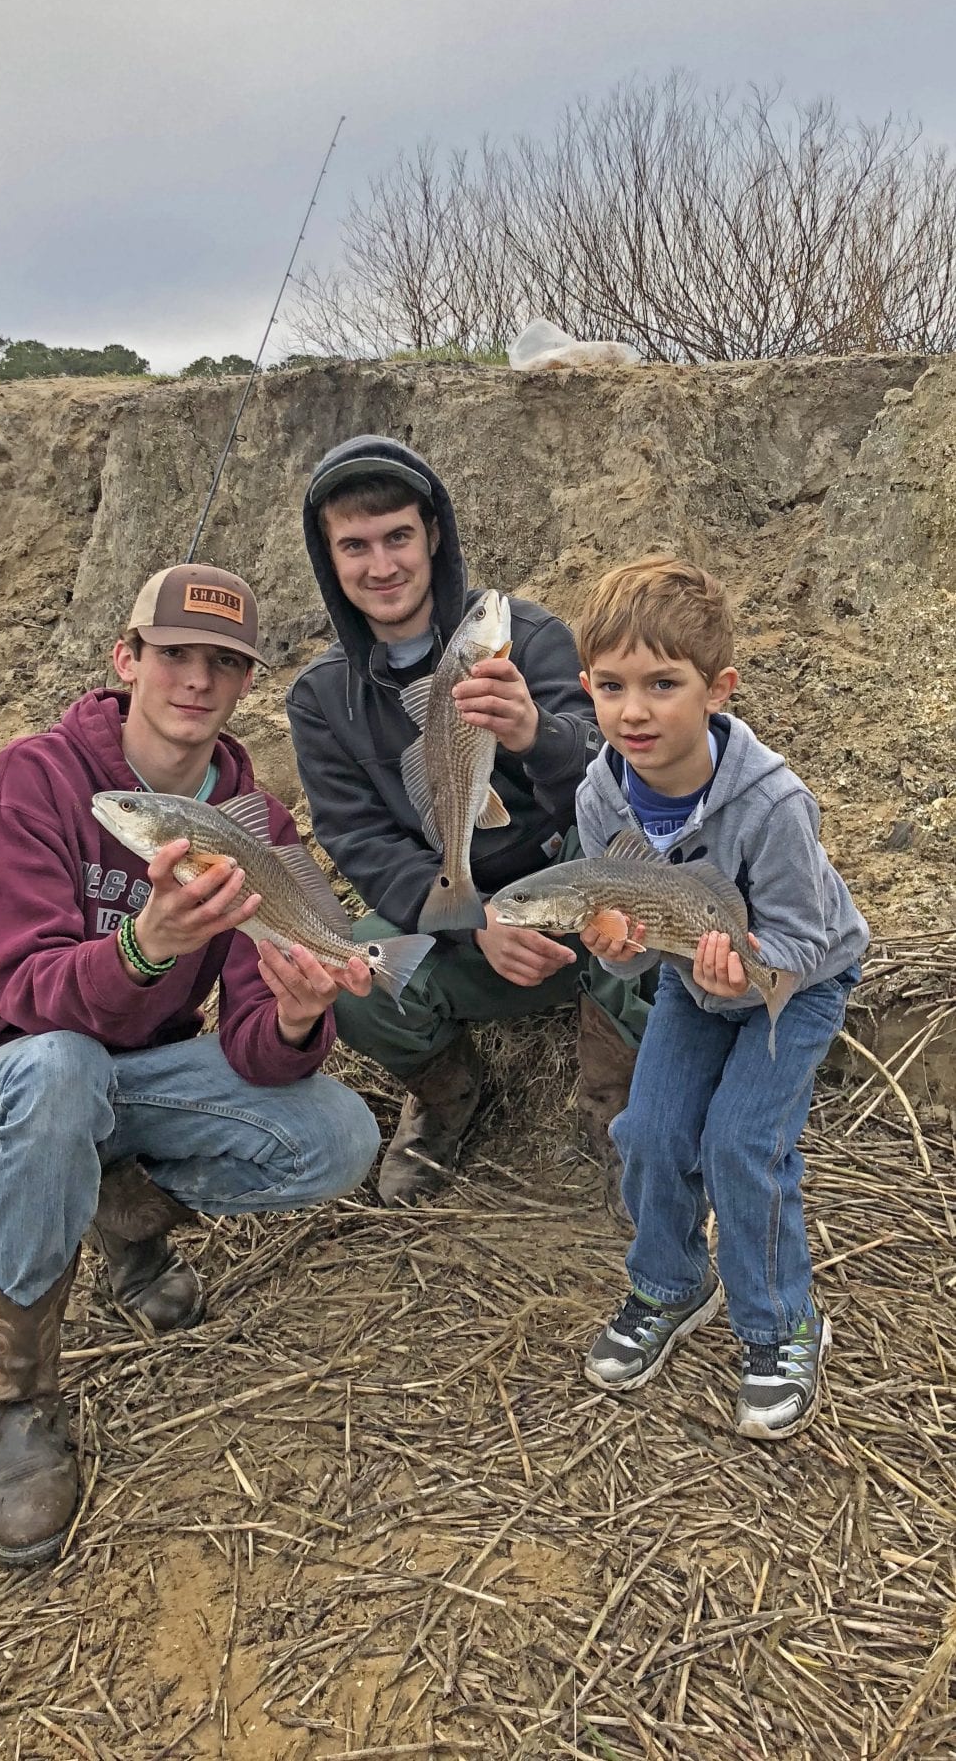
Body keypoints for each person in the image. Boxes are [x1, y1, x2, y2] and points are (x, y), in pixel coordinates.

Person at [0, 563, 381, 1568]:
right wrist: (147, 946)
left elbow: (258, 1048)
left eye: (224, 664)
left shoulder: (257, 824)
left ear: (244, 685)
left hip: (134, 1084)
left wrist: (301, 1014)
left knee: (341, 1134)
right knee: (61, 1068)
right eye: (173, 655)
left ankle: (120, 1208)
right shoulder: (36, 778)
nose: (196, 681)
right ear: (127, 660)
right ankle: (20, 1400)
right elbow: (24, 994)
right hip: (10, 1082)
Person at [286, 436, 650, 1208]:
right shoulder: (321, 697)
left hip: (581, 920)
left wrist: (534, 734)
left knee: (631, 864)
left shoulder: (529, 634)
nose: (381, 565)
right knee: (348, 968)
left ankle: (616, 1112)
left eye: (397, 537)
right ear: (329, 558)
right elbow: (359, 844)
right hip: (469, 930)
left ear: (433, 536)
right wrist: (474, 923)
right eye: (354, 545)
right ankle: (447, 1094)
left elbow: (626, 776)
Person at [573, 555, 868, 1439]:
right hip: (691, 985)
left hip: (796, 984)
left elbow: (809, 938)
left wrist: (751, 971)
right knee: (652, 1131)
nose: (634, 710)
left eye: (663, 683)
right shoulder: (599, 795)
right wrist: (617, 947)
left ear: (717, 688)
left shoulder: (773, 805)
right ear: (586, 687)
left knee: (741, 1143)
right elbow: (629, 954)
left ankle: (782, 1327)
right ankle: (670, 1283)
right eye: (613, 685)